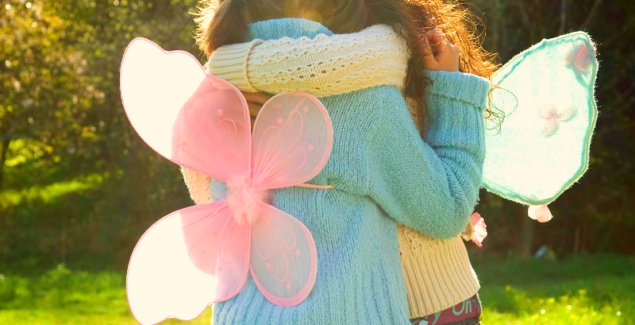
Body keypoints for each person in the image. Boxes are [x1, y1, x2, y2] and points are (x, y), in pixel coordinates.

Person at [184, 1, 494, 324]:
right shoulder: (364, 104)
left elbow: (206, 195)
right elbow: (447, 208)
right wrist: (453, 91)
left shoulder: (208, 101)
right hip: (393, 307)